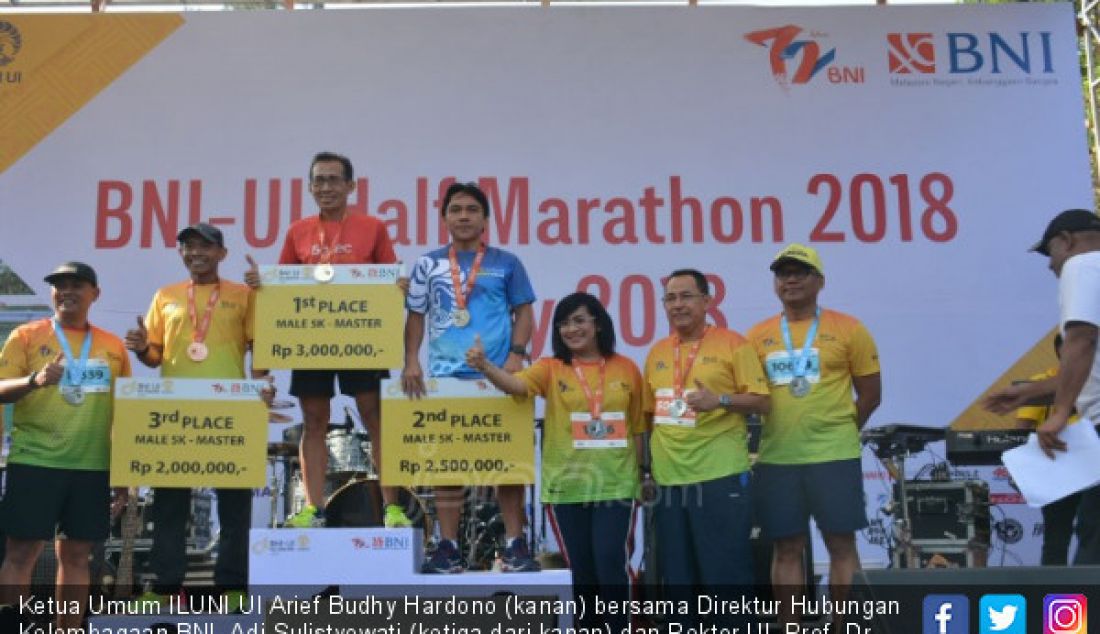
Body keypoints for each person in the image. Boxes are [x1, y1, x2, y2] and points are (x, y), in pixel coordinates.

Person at [246, 151, 409, 529]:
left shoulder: (373, 227)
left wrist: (398, 283)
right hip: (312, 339)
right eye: (319, 180)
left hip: (360, 337)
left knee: (374, 417)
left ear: (351, 186)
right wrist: (263, 283)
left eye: (334, 179)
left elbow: (393, 277)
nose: (326, 187)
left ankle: (392, 507)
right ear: (309, 187)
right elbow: (283, 289)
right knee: (314, 420)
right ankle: (313, 509)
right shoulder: (297, 231)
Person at [466, 292, 644, 630]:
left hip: (616, 484)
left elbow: (637, 428)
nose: (571, 329)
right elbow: (516, 386)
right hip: (566, 486)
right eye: (563, 323)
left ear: (598, 323)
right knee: (582, 571)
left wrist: (643, 474)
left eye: (579, 320)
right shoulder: (551, 368)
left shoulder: (627, 368)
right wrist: (486, 366)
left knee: (610, 562)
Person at [125, 223, 269, 610]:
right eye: (188, 246)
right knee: (170, 505)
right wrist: (141, 349)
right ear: (182, 254)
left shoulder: (243, 295)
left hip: (231, 410)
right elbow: (155, 357)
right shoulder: (166, 296)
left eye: (206, 246)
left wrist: (261, 386)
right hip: (177, 413)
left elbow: (259, 345)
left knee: (235, 506)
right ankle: (165, 587)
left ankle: (233, 587)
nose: (196, 252)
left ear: (222, 254)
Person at [402, 181, 538, 573]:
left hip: (496, 376)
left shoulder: (507, 262)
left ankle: (515, 543)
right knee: (447, 465)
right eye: (456, 209)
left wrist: (516, 355)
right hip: (445, 376)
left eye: (472, 210)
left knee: (506, 463)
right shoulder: (428, 264)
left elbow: (524, 311)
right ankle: (447, 547)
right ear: (444, 217)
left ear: (485, 219)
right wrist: (412, 360)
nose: (464, 216)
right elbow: (415, 317)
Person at [746, 244, 881, 628]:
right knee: (786, 547)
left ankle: (843, 626)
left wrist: (838, 428)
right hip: (778, 458)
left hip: (834, 456)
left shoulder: (849, 329)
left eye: (800, 272)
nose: (790, 279)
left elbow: (871, 394)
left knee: (841, 545)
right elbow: (751, 394)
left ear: (819, 281)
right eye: (782, 273)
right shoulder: (757, 336)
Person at [0, 262, 131, 631]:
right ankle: (11, 626)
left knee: (77, 556)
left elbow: (124, 413)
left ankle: (68, 628)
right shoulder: (27, 335)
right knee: (21, 552)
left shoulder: (112, 346)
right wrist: (35, 379)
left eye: (77, 285)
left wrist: (123, 474)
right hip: (35, 461)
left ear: (95, 294)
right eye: (60, 286)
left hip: (91, 467)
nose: (67, 291)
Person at [642, 268, 769, 618]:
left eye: (686, 296)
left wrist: (721, 401)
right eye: (670, 298)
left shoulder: (733, 344)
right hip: (669, 483)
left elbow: (762, 400)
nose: (677, 305)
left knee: (725, 581)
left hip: (720, 478)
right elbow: (648, 417)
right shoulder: (656, 353)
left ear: (707, 301)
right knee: (680, 586)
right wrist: (645, 473)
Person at [985, 208, 1100, 565]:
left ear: (1066, 240)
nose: (1051, 267)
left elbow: (1080, 340)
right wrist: (1030, 392)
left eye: (1050, 254)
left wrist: (1060, 412)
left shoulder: (1083, 265)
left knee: (1093, 549)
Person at [1014, 334, 1082, 565]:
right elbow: (1021, 432)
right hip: (1056, 470)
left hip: (1093, 470)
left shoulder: (1095, 385)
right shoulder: (1040, 384)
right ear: (1059, 351)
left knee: (1093, 533)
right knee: (1056, 535)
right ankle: (1055, 592)